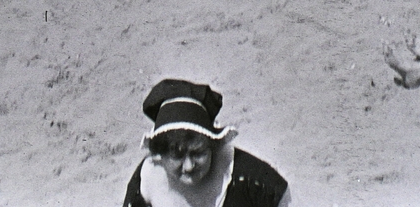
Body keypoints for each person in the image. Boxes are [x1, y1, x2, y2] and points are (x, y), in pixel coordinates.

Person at [117, 79, 290, 207]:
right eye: (177, 156)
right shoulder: (147, 178)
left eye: (198, 153)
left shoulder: (250, 176)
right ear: (159, 155)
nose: (189, 166)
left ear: (213, 147)